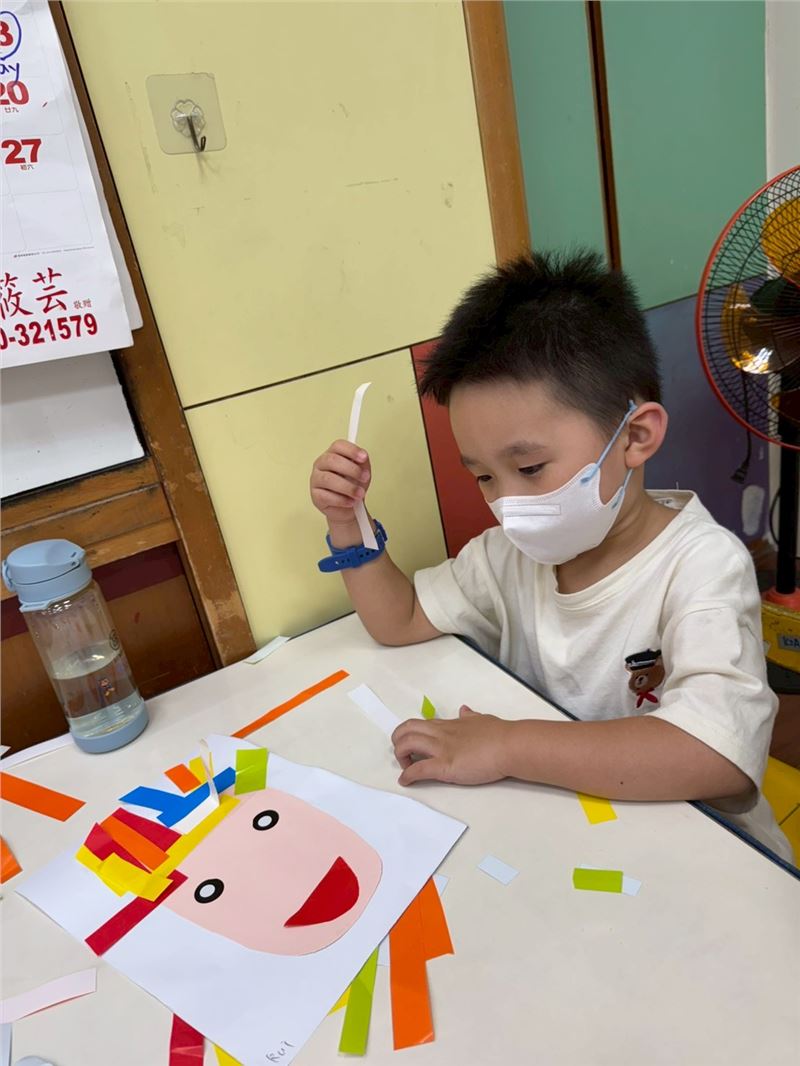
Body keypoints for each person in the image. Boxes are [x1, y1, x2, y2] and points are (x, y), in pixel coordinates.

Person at [309, 251, 792, 863]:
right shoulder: (509, 555)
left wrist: (505, 746)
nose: (508, 505)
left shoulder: (702, 565)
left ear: (636, 436)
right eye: (484, 476)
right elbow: (398, 619)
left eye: (531, 467)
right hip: (574, 835)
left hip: (709, 857)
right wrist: (348, 523)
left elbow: (715, 755)